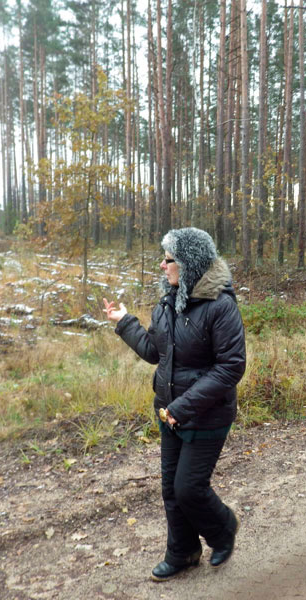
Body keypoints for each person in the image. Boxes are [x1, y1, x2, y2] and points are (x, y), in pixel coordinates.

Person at [102, 227, 246, 582]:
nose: (163, 265)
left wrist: (183, 406)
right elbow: (155, 351)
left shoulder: (220, 306)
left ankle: (223, 529)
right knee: (171, 490)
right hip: (171, 412)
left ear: (189, 263)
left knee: (189, 488)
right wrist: (125, 323)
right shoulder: (168, 300)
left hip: (207, 414)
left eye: (169, 259)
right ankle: (182, 552)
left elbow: (231, 367)